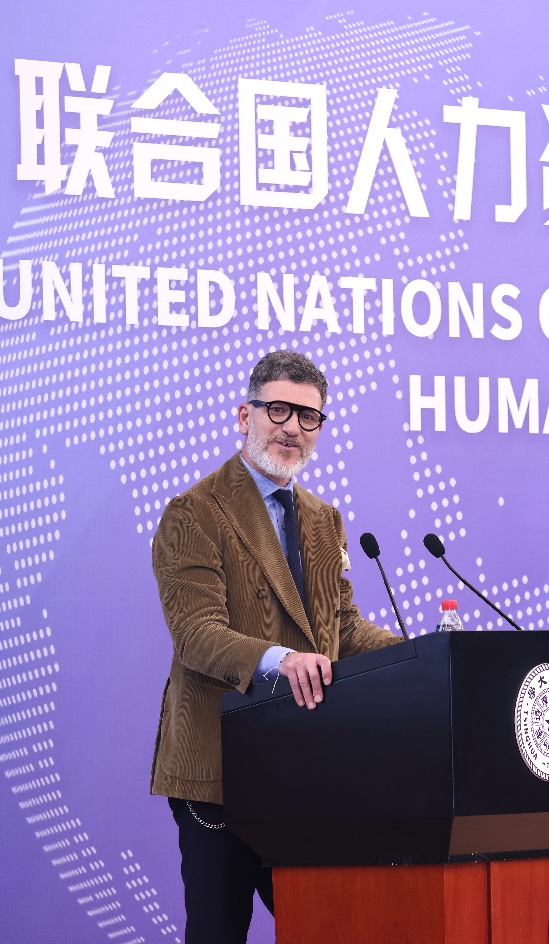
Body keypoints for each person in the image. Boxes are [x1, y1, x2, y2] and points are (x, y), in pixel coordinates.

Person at [149, 349, 400, 942]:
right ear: (246, 415)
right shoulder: (193, 512)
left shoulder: (323, 519)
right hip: (220, 768)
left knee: (328, 927)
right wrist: (281, 661)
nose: (292, 428)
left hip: (305, 766)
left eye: (308, 416)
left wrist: (421, 654)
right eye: (279, 410)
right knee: (218, 931)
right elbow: (196, 634)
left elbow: (341, 627)